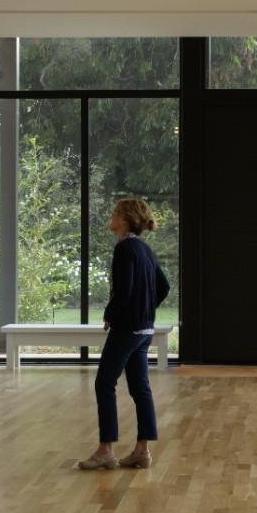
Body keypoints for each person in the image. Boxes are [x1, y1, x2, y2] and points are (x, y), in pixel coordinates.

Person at [78, 198, 170, 470]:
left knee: (104, 384)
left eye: (116, 213)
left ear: (126, 219)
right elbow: (163, 286)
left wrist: (110, 314)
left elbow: (124, 290)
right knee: (140, 388)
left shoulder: (124, 249)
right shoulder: (145, 249)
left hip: (127, 329)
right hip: (144, 329)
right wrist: (146, 309)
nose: (112, 216)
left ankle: (106, 450)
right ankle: (142, 450)